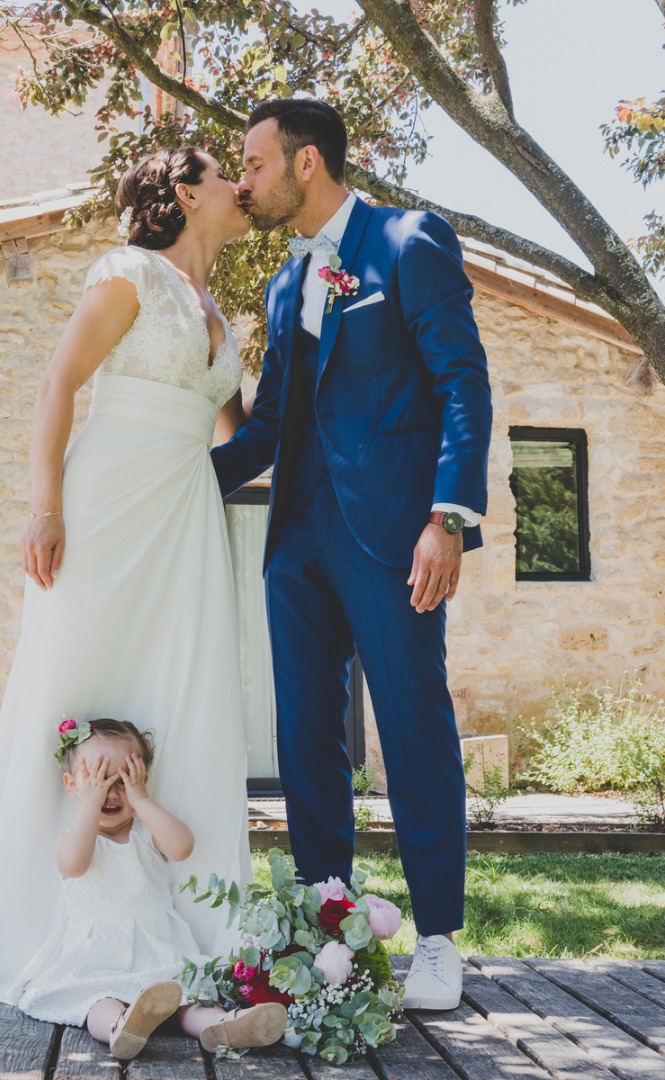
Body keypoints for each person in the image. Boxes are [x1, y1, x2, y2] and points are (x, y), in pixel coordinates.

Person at [0, 147, 253, 1003]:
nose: (240, 185)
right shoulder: (131, 273)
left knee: (185, 686)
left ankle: (189, 920)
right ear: (186, 193)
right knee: (70, 679)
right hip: (107, 501)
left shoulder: (218, 311)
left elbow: (241, 438)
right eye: (224, 174)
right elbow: (58, 383)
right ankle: (41, 911)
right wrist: (44, 509)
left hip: (185, 516)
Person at [212, 99, 492, 1011]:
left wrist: (447, 518)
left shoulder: (408, 241)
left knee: (412, 728)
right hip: (297, 542)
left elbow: (461, 381)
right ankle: (326, 926)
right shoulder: (282, 285)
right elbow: (269, 428)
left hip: (395, 537)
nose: (243, 180)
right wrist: (175, 485)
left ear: (306, 163)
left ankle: (438, 939)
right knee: (304, 736)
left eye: (253, 163)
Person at [17, 718, 286, 1061]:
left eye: (122, 780)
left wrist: (140, 798)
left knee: (189, 996)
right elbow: (73, 865)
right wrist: (89, 805)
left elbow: (182, 847)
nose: (110, 793)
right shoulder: (75, 840)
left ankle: (221, 1025)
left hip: (159, 946)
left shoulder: (146, 833)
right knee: (96, 1000)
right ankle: (121, 1026)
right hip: (96, 955)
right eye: (98, 780)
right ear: (71, 785)